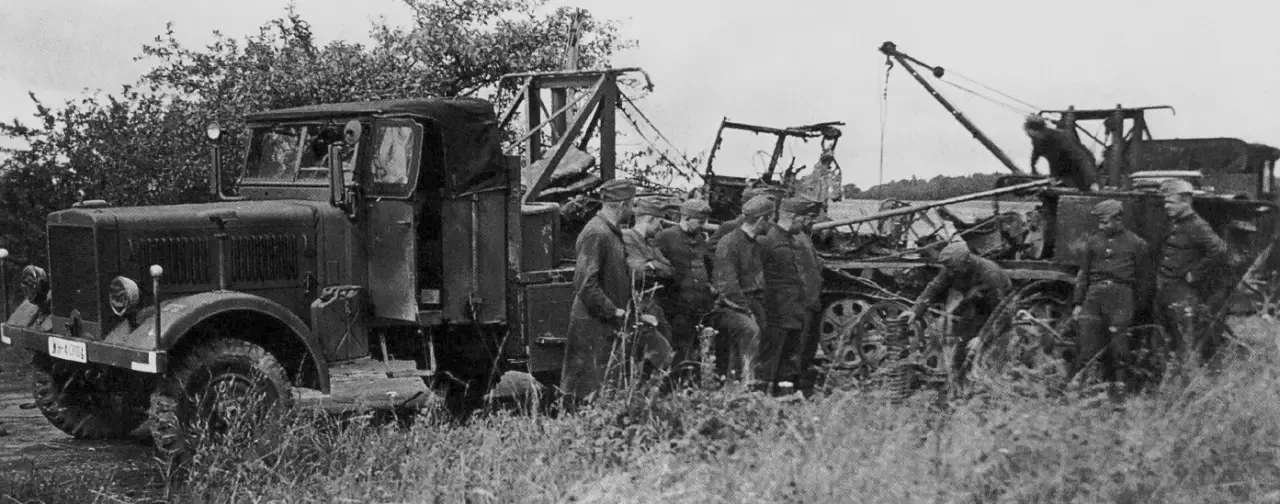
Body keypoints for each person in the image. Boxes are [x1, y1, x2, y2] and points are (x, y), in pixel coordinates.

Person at [559, 179, 659, 407]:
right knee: (587, 392)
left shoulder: (610, 233)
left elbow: (615, 279)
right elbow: (585, 283)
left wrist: (631, 312)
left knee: (603, 388)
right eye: (632, 204)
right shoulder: (597, 233)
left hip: (605, 321)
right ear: (623, 205)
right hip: (593, 323)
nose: (633, 210)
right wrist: (612, 311)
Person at [1071, 199, 1151, 390]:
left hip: (1121, 295)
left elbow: (1144, 279)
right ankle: (1085, 382)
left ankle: (1120, 385)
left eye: (1105, 222)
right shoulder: (1093, 242)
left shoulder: (1137, 244)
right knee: (1088, 340)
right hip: (1094, 295)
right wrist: (1078, 303)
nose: (1101, 226)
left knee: (1119, 343)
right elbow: (1084, 274)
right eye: (1100, 222)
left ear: (1118, 220)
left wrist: (1135, 305)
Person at [901, 240, 1012, 379]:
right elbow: (935, 287)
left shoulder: (989, 273)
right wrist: (915, 311)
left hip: (999, 309)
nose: (949, 273)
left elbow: (1001, 312)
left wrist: (982, 338)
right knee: (962, 347)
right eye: (948, 269)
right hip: (975, 304)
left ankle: (991, 381)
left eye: (953, 269)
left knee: (990, 353)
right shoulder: (953, 267)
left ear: (967, 263)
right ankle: (960, 379)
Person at [1156, 179, 1231, 365]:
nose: (1166, 206)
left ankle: (1188, 377)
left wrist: (1195, 273)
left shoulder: (1198, 225)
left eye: (1171, 202)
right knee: (1163, 336)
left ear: (1186, 202)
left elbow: (1219, 249)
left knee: (1184, 339)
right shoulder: (1175, 223)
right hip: (1165, 286)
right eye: (1165, 202)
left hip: (1181, 290)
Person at [758, 196, 823, 395]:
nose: (806, 223)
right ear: (794, 217)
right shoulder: (768, 240)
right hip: (776, 312)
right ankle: (761, 398)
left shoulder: (796, 238)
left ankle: (785, 398)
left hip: (796, 310)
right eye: (804, 218)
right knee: (770, 361)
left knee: (790, 361)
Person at [711, 195, 775, 388]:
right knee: (750, 332)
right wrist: (747, 311)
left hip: (753, 303)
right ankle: (742, 388)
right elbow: (728, 286)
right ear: (761, 220)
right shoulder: (729, 243)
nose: (771, 224)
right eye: (770, 219)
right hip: (731, 307)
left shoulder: (757, 243)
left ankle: (747, 387)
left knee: (759, 342)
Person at [654, 198, 717, 385]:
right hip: (675, 306)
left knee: (695, 349)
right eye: (700, 221)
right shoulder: (665, 237)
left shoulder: (700, 239)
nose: (703, 226)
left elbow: (707, 265)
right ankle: (671, 387)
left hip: (698, 306)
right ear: (687, 217)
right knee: (677, 349)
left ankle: (690, 386)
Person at [620, 196, 677, 376]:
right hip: (635, 304)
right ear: (650, 219)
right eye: (658, 222)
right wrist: (652, 265)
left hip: (652, 304)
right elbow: (635, 271)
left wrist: (652, 265)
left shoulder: (650, 243)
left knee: (665, 345)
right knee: (655, 352)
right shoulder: (626, 238)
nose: (660, 228)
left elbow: (669, 269)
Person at [1024, 115, 1100, 191]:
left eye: (1032, 135)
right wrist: (1033, 168)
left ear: (1040, 131)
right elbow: (1035, 154)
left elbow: (1082, 159)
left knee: (1082, 187)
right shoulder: (1037, 140)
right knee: (1050, 189)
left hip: (1080, 166)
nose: (1031, 137)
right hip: (1059, 168)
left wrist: (1092, 181)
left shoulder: (1061, 138)